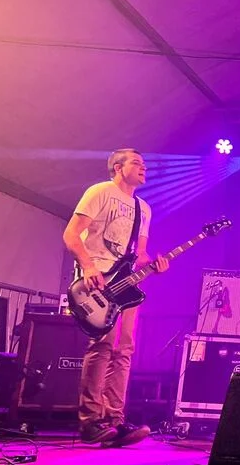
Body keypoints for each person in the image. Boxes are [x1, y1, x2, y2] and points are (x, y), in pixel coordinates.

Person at [62, 148, 169, 446]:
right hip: (97, 279)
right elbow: (71, 234)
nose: (144, 167)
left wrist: (155, 264)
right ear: (118, 167)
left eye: (144, 164)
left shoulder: (143, 208)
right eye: (137, 163)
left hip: (125, 285)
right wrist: (88, 266)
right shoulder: (100, 192)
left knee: (124, 350)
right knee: (103, 346)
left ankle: (114, 421)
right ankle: (90, 421)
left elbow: (140, 255)